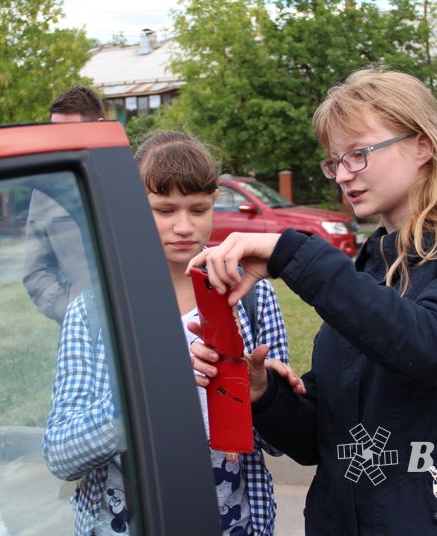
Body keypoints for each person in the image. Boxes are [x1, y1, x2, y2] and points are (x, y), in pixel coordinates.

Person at [188, 68, 437, 535]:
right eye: (334, 161)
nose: (344, 174)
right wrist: (265, 394)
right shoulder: (371, 265)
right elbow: (328, 439)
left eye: (360, 153)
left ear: (423, 145)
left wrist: (291, 253)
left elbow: (428, 345)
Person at [42, 131, 290, 535]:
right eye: (164, 209)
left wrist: (264, 395)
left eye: (198, 209)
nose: (183, 226)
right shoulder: (94, 311)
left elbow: (280, 443)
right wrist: (147, 394)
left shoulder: (252, 297)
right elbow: (61, 454)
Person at [23, 86, 104, 323]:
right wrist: (70, 311)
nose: (60, 143)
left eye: (69, 133)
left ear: (99, 127)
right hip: (81, 333)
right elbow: (36, 272)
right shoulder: (46, 192)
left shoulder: (135, 179)